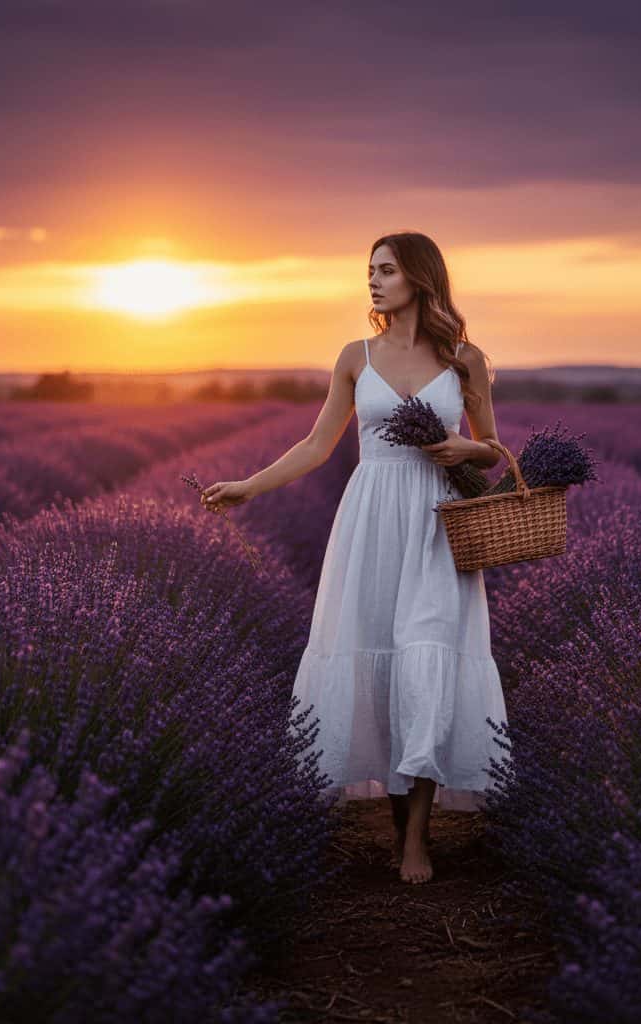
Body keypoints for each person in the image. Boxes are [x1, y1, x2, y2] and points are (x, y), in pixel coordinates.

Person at [200, 231, 509, 885]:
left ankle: (416, 841)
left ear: (419, 279)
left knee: (424, 660)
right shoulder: (354, 357)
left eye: (386, 270)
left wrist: (462, 451)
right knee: (382, 668)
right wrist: (248, 486)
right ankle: (401, 824)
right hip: (371, 524)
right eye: (369, 270)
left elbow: (493, 449)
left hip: (437, 527)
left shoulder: (465, 360)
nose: (372, 281)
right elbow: (317, 445)